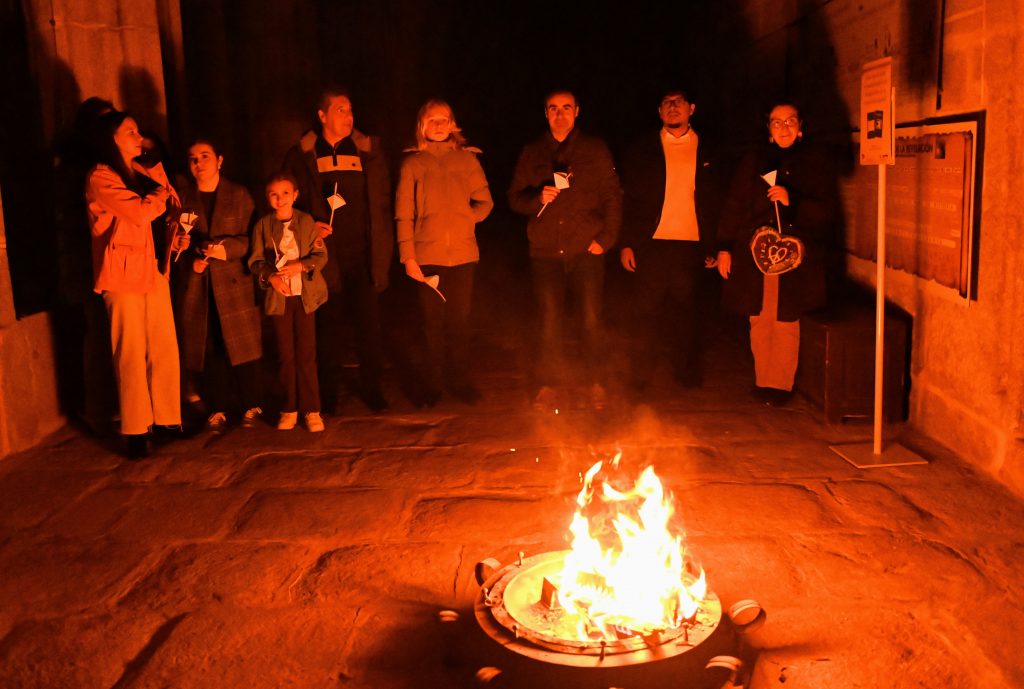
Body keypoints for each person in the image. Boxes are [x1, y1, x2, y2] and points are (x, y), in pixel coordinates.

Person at [716, 101, 839, 405]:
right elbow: (735, 204)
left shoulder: (816, 163)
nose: (784, 128)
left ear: (800, 128)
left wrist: (792, 200)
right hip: (755, 257)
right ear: (769, 131)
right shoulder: (753, 162)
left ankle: (780, 386)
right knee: (759, 318)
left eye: (790, 121)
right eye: (776, 122)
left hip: (794, 261)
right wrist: (724, 247)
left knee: (785, 321)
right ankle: (763, 380)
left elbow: (827, 211)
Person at [508, 89, 622, 411]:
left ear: (577, 111)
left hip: (586, 249)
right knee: (549, 322)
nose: (560, 114)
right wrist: (536, 199)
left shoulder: (595, 150)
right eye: (554, 109)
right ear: (545, 113)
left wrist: (607, 239)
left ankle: (596, 382)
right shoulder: (532, 152)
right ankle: (549, 385)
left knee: (591, 321)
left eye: (566, 108)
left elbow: (612, 196)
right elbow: (514, 198)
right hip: (545, 251)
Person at [282, 86, 394, 413]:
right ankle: (327, 392)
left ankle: (372, 388)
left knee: (369, 324)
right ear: (322, 115)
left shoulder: (367, 150)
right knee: (328, 326)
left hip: (362, 252)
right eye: (340, 110)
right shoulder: (302, 154)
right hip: (323, 256)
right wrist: (309, 227)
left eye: (350, 110)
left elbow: (382, 199)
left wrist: (382, 248)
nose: (348, 116)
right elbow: (286, 201)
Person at [85, 110, 187, 458]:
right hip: (121, 273)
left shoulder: (140, 171)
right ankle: (136, 429)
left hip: (153, 268)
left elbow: (170, 202)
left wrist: (173, 236)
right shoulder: (101, 177)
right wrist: (159, 195)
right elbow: (141, 212)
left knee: (163, 345)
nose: (138, 136)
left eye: (137, 130)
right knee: (129, 351)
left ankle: (168, 420)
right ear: (110, 139)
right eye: (130, 131)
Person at [619, 88, 724, 393]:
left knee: (686, 313)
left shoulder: (709, 149)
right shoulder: (643, 149)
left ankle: (685, 370)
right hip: (651, 243)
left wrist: (716, 245)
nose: (673, 107)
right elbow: (630, 199)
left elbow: (716, 199)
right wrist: (627, 242)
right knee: (644, 313)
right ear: (659, 111)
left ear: (692, 108)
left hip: (690, 244)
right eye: (667, 102)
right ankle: (640, 374)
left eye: (679, 102)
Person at [395, 99, 494, 406]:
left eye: (444, 120)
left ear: (452, 125)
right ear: (421, 126)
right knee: (432, 326)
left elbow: (485, 201)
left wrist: (467, 219)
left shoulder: (466, 160)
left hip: (463, 256)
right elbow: (403, 214)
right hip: (427, 257)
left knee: (459, 323)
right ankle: (433, 386)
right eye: (432, 120)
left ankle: (460, 382)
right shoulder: (413, 164)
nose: (438, 125)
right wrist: (408, 257)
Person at [175, 139, 263, 430]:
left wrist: (224, 249)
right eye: (193, 158)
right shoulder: (184, 199)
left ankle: (251, 402)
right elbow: (175, 242)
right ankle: (217, 406)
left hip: (233, 279)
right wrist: (190, 255)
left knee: (241, 343)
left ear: (219, 160)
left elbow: (253, 238)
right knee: (209, 344)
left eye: (205, 156)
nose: (199, 163)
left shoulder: (238, 194)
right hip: (201, 283)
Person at [248, 173, 328, 432]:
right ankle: (289, 407)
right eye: (274, 194)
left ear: (295, 195)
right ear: (267, 198)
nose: (280, 198)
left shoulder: (306, 222)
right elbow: (255, 261)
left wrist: (301, 265)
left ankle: (311, 410)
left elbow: (320, 255)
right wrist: (270, 277)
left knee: (306, 354)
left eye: (285, 193)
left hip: (305, 299)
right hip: (280, 299)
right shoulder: (263, 226)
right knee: (285, 355)